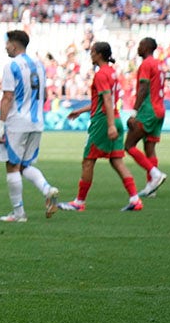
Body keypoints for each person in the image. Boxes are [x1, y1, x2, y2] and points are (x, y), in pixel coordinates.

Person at [57, 41, 143, 213]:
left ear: (98, 54)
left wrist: (110, 125)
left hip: (103, 122)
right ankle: (135, 199)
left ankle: (79, 202)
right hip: (115, 117)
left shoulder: (101, 74)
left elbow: (107, 100)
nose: (90, 55)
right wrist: (81, 111)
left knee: (88, 161)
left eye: (92, 52)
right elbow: (104, 100)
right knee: (116, 160)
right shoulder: (112, 73)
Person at [0, 30, 60, 222]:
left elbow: (7, 97)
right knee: (24, 165)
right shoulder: (39, 65)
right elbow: (46, 95)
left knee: (12, 165)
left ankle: (19, 214)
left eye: (7, 44)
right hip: (36, 122)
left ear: (14, 45)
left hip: (17, 122)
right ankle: (48, 189)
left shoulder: (12, 66)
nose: (6, 47)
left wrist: (1, 125)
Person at [124, 37, 168, 197]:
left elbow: (143, 88)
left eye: (140, 45)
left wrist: (133, 113)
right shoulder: (159, 64)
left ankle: (155, 175)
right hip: (160, 109)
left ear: (147, 47)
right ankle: (152, 188)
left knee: (129, 145)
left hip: (148, 110)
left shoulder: (146, 64)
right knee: (150, 148)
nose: (138, 48)